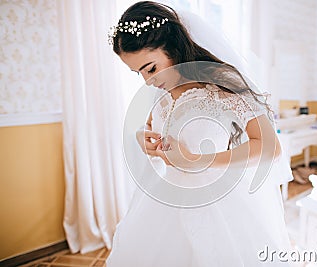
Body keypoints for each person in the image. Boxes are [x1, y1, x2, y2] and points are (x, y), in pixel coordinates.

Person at [106, 1, 293, 266]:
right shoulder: (162, 88)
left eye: (150, 68)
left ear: (172, 47)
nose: (147, 81)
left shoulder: (222, 83)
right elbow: (153, 125)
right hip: (165, 200)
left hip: (219, 203)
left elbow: (269, 146)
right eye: (138, 73)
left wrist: (200, 159)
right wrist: (143, 135)